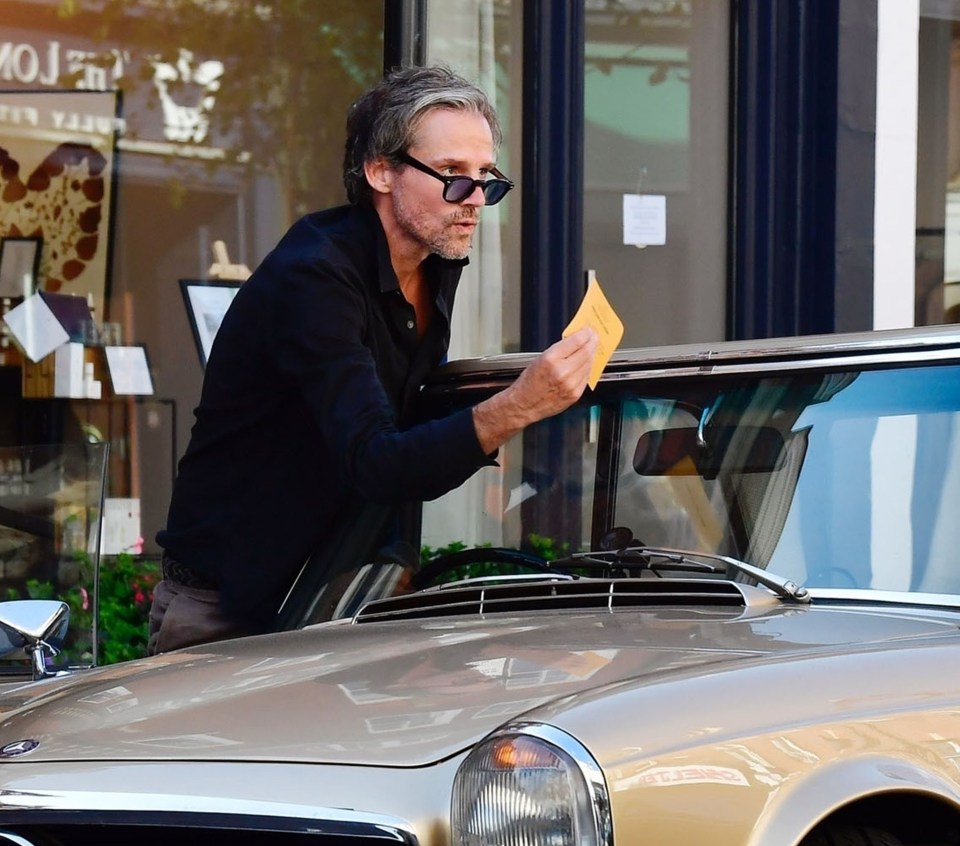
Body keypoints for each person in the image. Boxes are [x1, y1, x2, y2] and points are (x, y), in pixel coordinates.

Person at [149, 64, 598, 654]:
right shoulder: (315, 276)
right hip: (233, 610)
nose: (475, 200)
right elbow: (375, 460)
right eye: (452, 176)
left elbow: (403, 423)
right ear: (381, 170)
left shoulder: (435, 259)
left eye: (486, 177)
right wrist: (516, 406)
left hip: (338, 600)